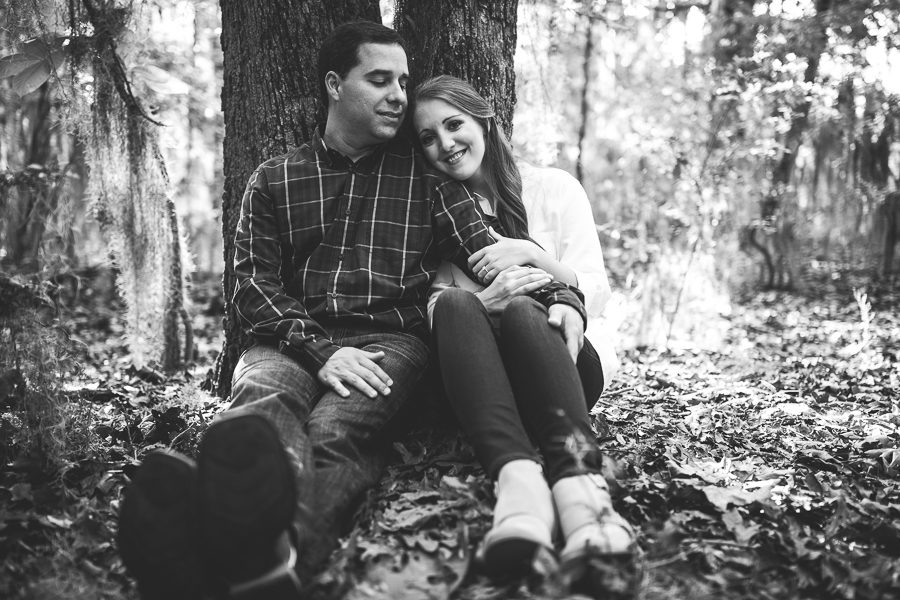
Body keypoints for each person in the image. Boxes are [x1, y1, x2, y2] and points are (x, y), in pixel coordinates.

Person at [116, 22, 587, 600]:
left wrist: (562, 297)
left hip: (390, 343)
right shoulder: (275, 178)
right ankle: (263, 566)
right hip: (287, 340)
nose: (398, 96)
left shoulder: (428, 179)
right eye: (380, 80)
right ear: (335, 85)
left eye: (403, 82)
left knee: (336, 433)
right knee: (262, 407)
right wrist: (320, 351)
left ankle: (251, 561)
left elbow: (494, 256)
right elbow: (252, 286)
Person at [411, 75, 635, 588]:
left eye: (454, 124)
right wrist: (482, 300)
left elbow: (596, 287)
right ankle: (519, 486)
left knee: (521, 313)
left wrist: (535, 257)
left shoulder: (554, 188)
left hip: (562, 364)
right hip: (484, 385)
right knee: (456, 304)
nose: (445, 144)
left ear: (483, 121)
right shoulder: (439, 211)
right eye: (428, 137)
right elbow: (435, 307)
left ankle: (583, 491)